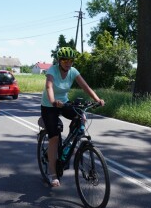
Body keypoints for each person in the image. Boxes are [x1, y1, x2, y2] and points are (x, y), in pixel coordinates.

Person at [40, 47, 104, 187]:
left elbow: (85, 86)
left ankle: (68, 146)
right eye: (65, 60)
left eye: (71, 60)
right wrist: (53, 101)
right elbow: (49, 87)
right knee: (54, 137)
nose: (68, 63)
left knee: (81, 117)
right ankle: (52, 173)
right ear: (59, 61)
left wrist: (97, 99)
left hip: (64, 102)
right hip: (49, 105)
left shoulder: (73, 71)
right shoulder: (52, 71)